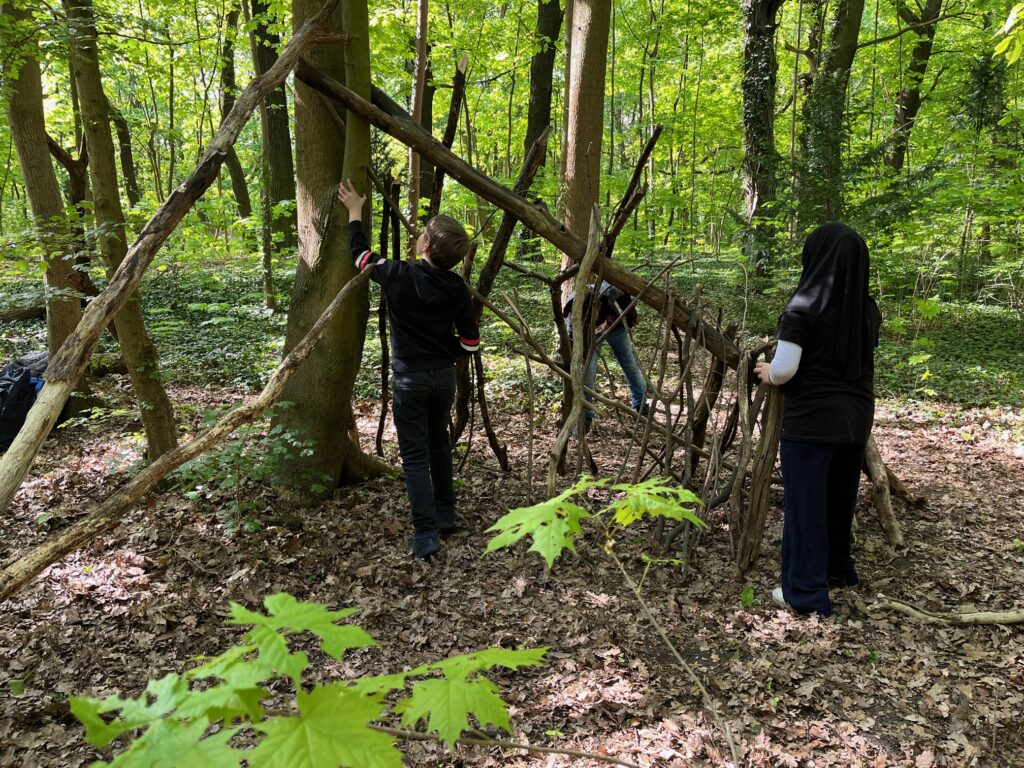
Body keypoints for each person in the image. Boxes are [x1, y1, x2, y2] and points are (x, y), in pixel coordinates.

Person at [339, 179, 480, 560]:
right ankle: (446, 514)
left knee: (416, 455)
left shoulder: (397, 274)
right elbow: (470, 343)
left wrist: (355, 211)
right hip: (443, 378)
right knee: (437, 445)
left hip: (410, 381)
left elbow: (360, 256)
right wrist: (444, 349)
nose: (418, 236)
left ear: (426, 247)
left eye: (423, 234)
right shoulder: (458, 289)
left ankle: (426, 534)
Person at [754, 222, 882, 617]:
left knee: (806, 505)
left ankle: (805, 593)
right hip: (856, 417)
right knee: (839, 499)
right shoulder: (866, 309)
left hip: (812, 420)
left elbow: (786, 370)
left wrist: (765, 370)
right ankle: (838, 569)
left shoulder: (802, 307)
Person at [564, 281, 648, 430]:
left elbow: (627, 300)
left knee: (629, 363)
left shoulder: (612, 292)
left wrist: (630, 316)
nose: (587, 320)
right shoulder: (571, 313)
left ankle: (642, 406)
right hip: (591, 337)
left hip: (616, 328)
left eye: (590, 317)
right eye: (584, 318)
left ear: (598, 306)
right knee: (588, 372)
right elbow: (572, 339)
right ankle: (585, 416)